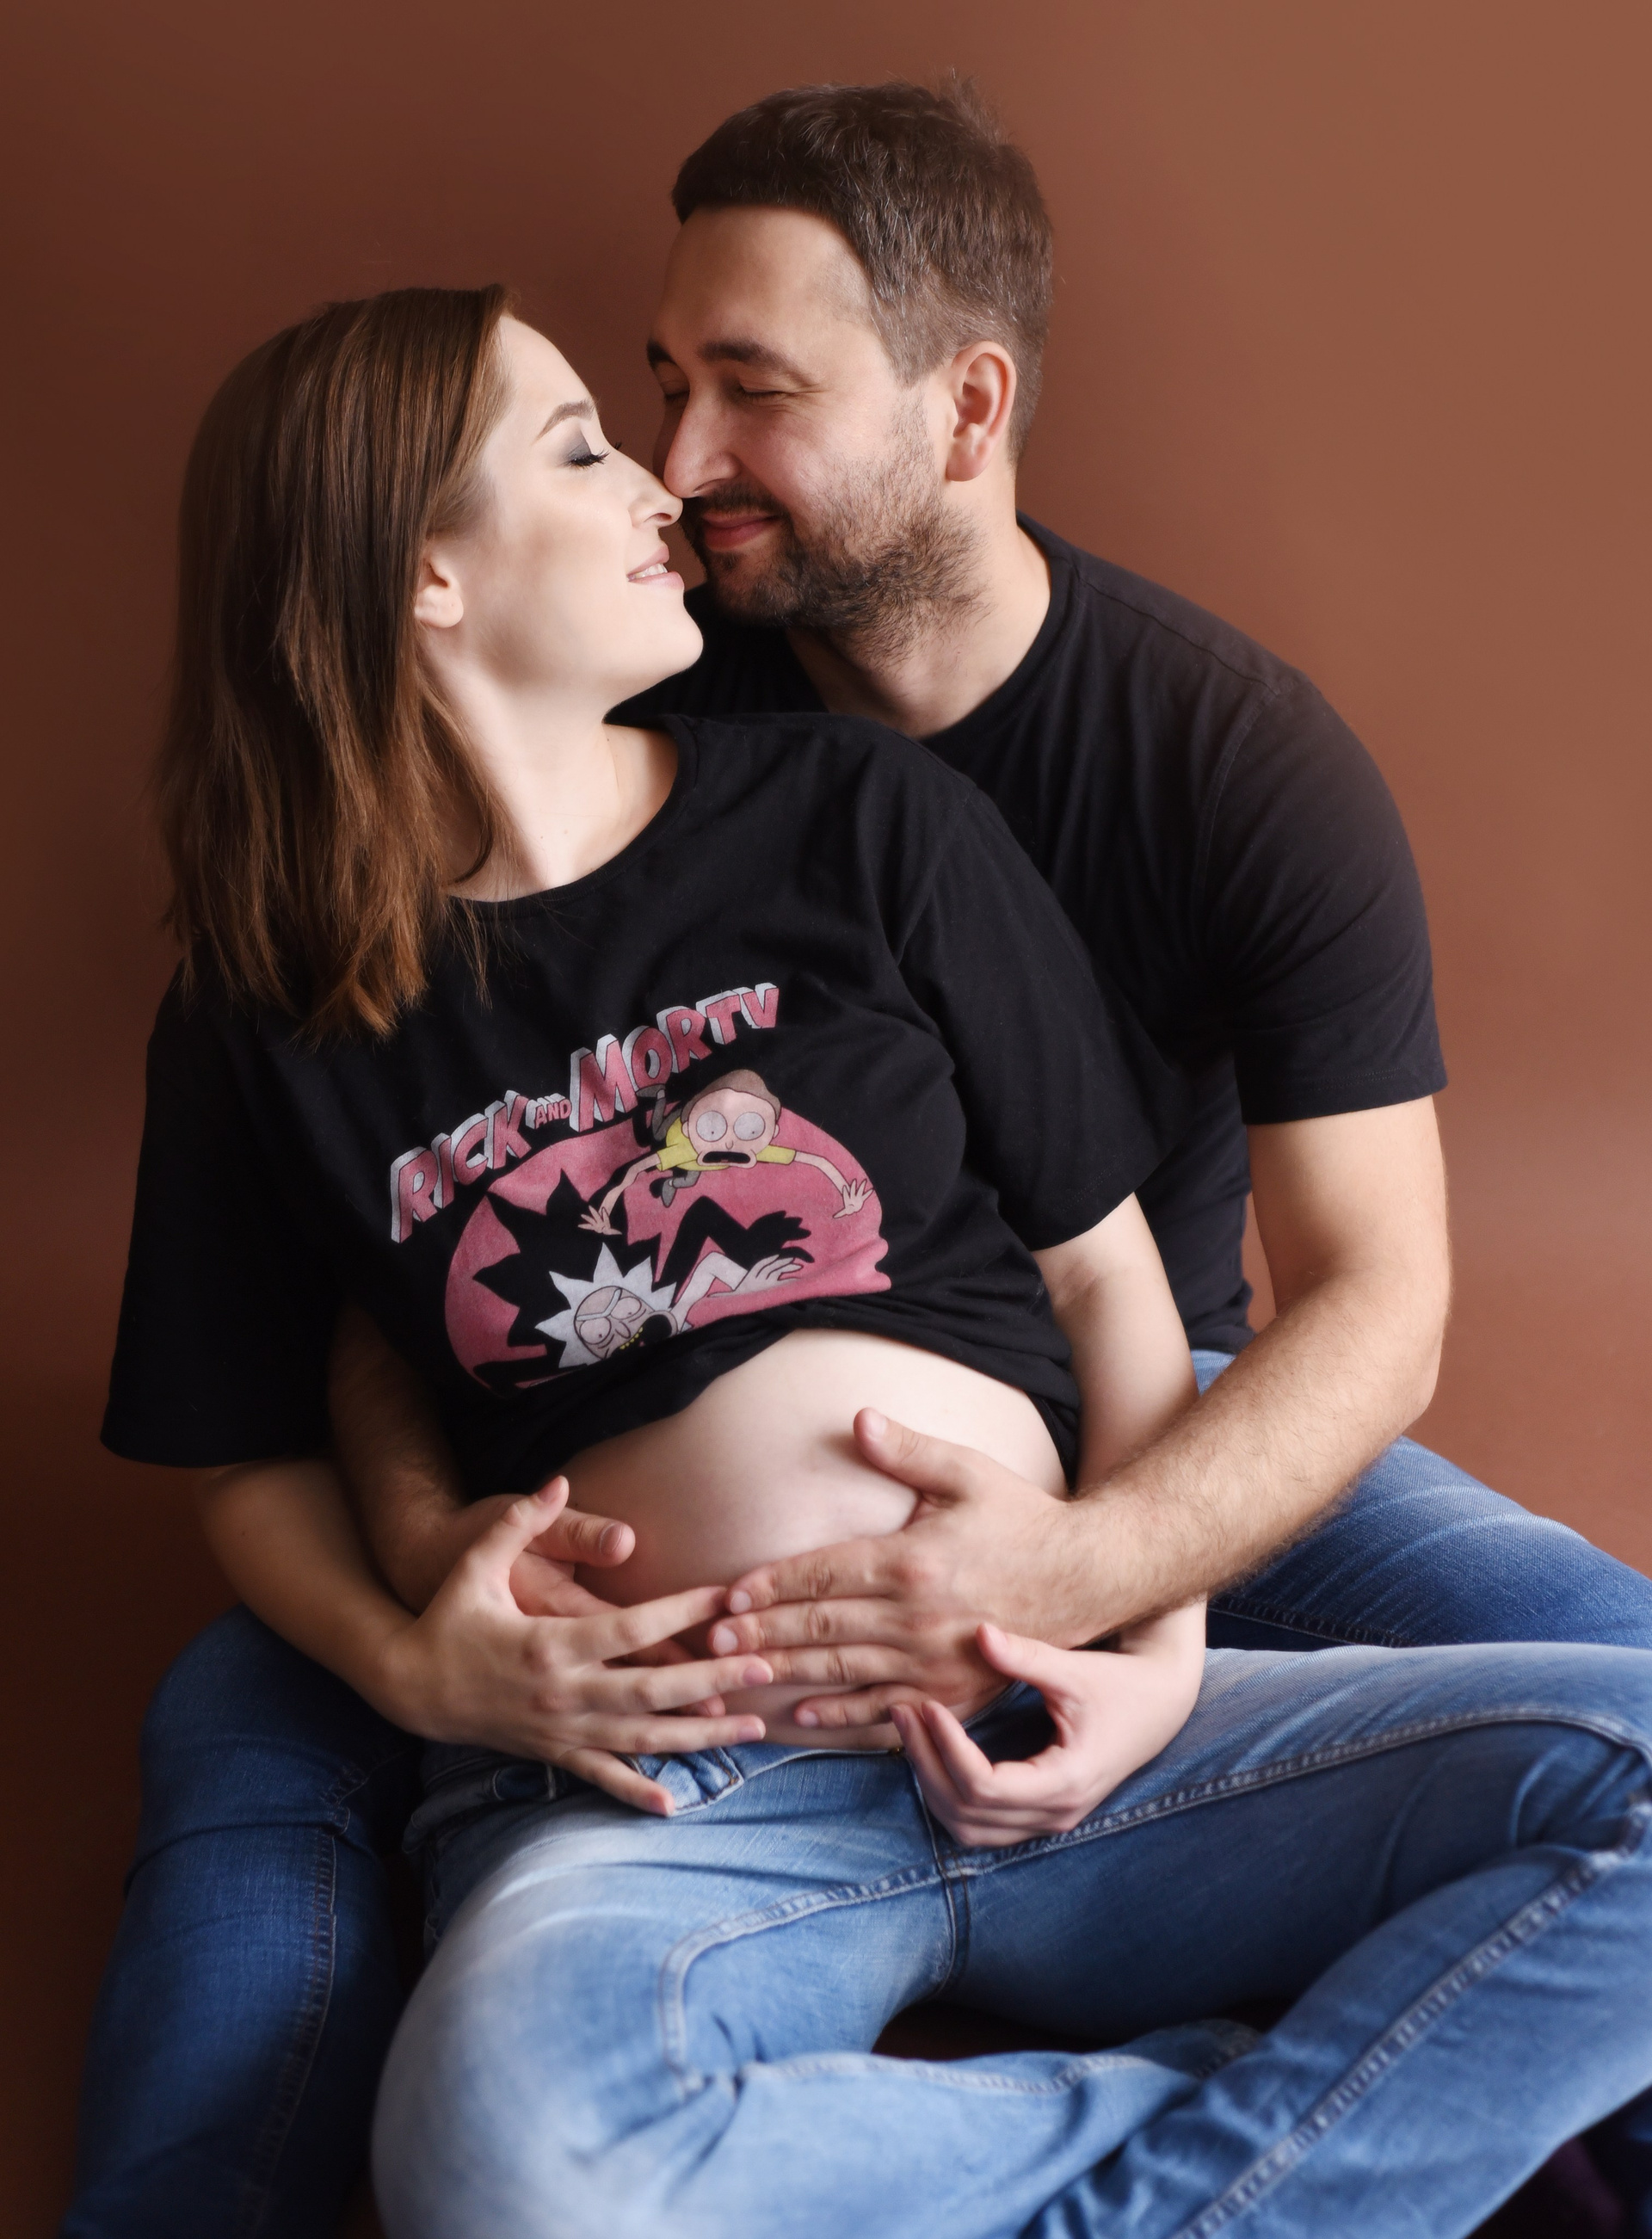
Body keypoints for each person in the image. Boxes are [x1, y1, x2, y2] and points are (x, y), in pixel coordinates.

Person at [64, 82, 1652, 2239]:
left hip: (1139, 1457)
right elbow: (369, 1269)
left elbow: (1337, 1299)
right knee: (303, 1811)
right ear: (428, 575)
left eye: (752, 391)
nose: (681, 469)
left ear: (964, 407)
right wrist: (420, 1607)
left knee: (1618, 1695)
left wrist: (1125, 1604)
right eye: (638, 404)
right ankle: (1337, 2129)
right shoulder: (575, 745)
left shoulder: (1141, 768)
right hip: (676, 1748)